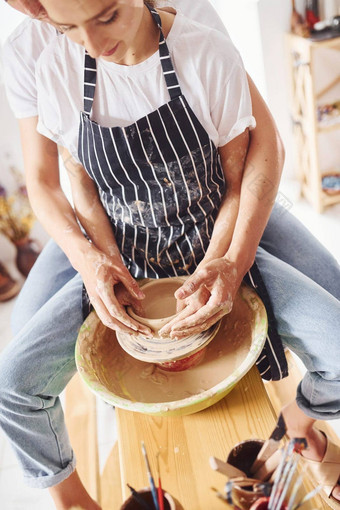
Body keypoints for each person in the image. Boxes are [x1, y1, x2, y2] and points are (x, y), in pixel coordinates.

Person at [0, 1, 339, 510]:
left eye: (107, 17)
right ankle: (72, 500)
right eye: (67, 27)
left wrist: (232, 259)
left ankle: (296, 424)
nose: (90, 41)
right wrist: (94, 261)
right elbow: (65, 182)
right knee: (14, 381)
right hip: (121, 242)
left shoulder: (200, 45)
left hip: (210, 235)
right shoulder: (51, 57)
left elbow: (246, 169)